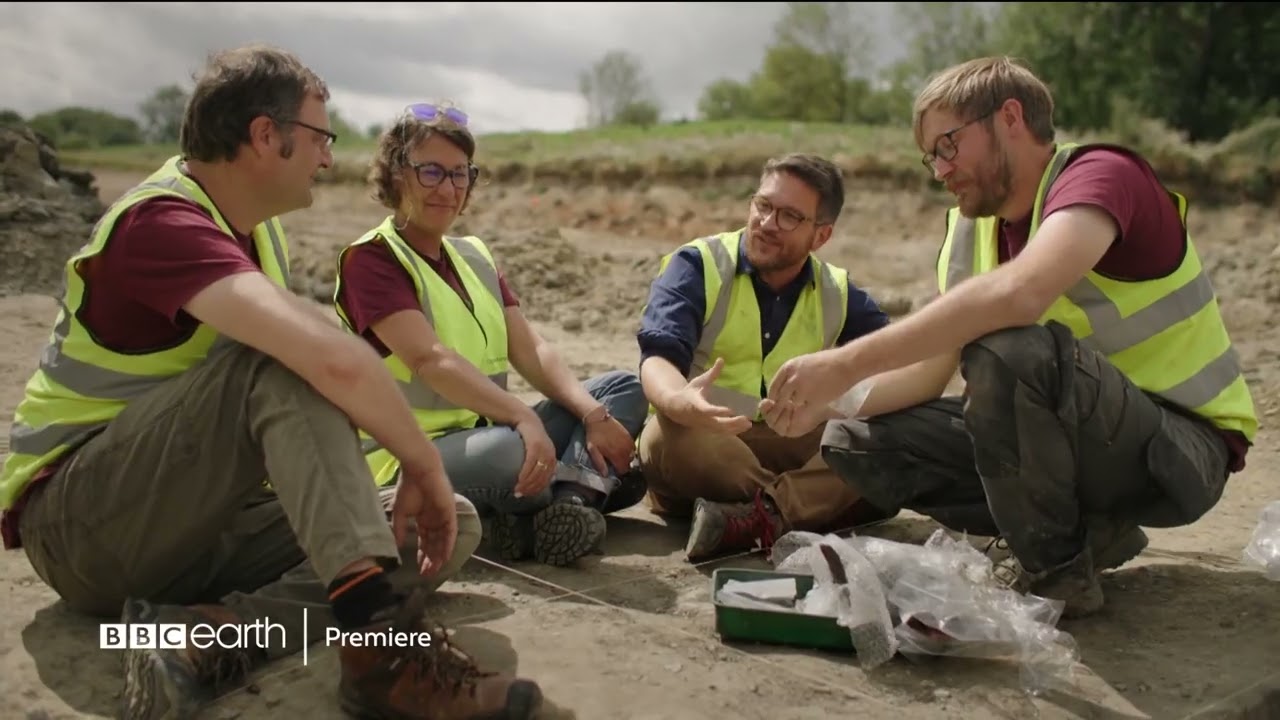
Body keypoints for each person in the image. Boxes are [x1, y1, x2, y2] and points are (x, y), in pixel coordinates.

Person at [0, 46, 544, 719]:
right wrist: (422, 462)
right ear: (265, 135)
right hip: (83, 525)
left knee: (439, 527)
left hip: (194, 521)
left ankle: (210, 635)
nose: (327, 158)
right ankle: (382, 660)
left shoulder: (256, 234)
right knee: (283, 359)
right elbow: (330, 361)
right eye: (320, 138)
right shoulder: (161, 223)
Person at [762, 56, 1259, 620]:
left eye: (948, 145)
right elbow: (926, 375)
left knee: (1005, 351)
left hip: (1180, 451)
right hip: (1087, 445)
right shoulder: (969, 230)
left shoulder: (1101, 176)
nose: (939, 170)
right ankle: (1088, 534)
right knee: (855, 441)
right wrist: (828, 403)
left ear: (1011, 118)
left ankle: (1056, 575)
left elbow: (1021, 295)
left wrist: (844, 362)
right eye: (930, 156)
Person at [333, 102, 650, 569]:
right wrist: (522, 417)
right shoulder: (372, 259)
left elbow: (532, 349)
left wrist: (592, 414)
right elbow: (429, 359)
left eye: (460, 174)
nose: (448, 188)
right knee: (512, 451)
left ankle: (564, 505)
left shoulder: (474, 256)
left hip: (486, 432)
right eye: (431, 172)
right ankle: (582, 490)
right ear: (397, 174)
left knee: (620, 389)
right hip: (405, 457)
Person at [635, 153, 895, 562]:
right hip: (706, 436)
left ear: (821, 235)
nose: (767, 223)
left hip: (788, 438)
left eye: (789, 216)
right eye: (763, 205)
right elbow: (657, 357)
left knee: (889, 441)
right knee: (669, 436)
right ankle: (811, 505)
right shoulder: (698, 265)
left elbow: (894, 360)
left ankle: (761, 515)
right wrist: (678, 400)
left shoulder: (838, 292)